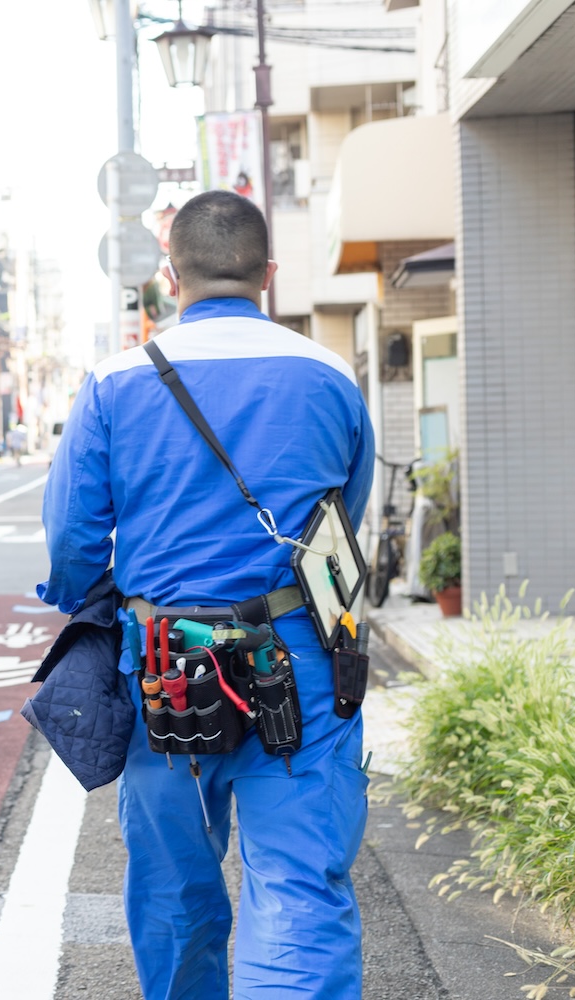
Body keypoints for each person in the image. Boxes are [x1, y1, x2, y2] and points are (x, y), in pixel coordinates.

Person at [37, 190, 374, 1000]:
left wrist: (100, 600)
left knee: (175, 890)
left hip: (165, 665)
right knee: (297, 888)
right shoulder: (330, 374)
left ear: (169, 275)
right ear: (269, 273)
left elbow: (73, 542)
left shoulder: (115, 382)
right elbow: (346, 516)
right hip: (301, 660)